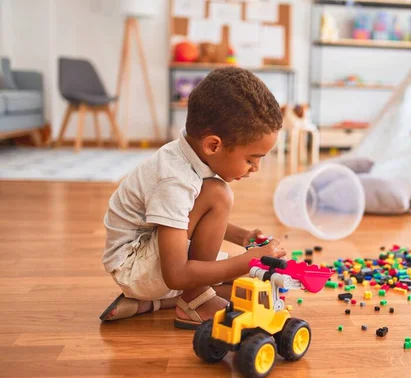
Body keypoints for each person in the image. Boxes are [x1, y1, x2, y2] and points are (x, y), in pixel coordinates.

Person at [99, 67, 286, 329]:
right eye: (251, 159)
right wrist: (249, 259)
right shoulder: (174, 179)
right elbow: (176, 274)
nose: (255, 168)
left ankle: (157, 302)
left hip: (153, 254)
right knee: (219, 195)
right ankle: (194, 301)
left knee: (253, 284)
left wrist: (241, 238)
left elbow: (183, 217)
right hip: (133, 267)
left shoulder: (189, 155)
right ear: (213, 145)